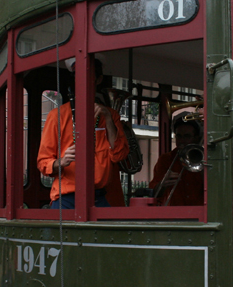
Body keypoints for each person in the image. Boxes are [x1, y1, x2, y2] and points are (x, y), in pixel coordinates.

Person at [36, 58, 129, 208]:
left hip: (100, 197)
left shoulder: (111, 115)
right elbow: (43, 163)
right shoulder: (56, 116)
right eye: (77, 75)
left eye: (88, 75)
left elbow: (119, 155)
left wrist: (108, 118)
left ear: (98, 79)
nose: (82, 80)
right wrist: (61, 162)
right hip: (66, 198)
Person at [149, 117, 204, 206]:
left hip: (201, 211)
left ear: (196, 138)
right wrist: (162, 184)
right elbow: (154, 193)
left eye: (187, 136)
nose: (181, 141)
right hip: (175, 211)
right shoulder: (166, 159)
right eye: (178, 136)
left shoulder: (205, 158)